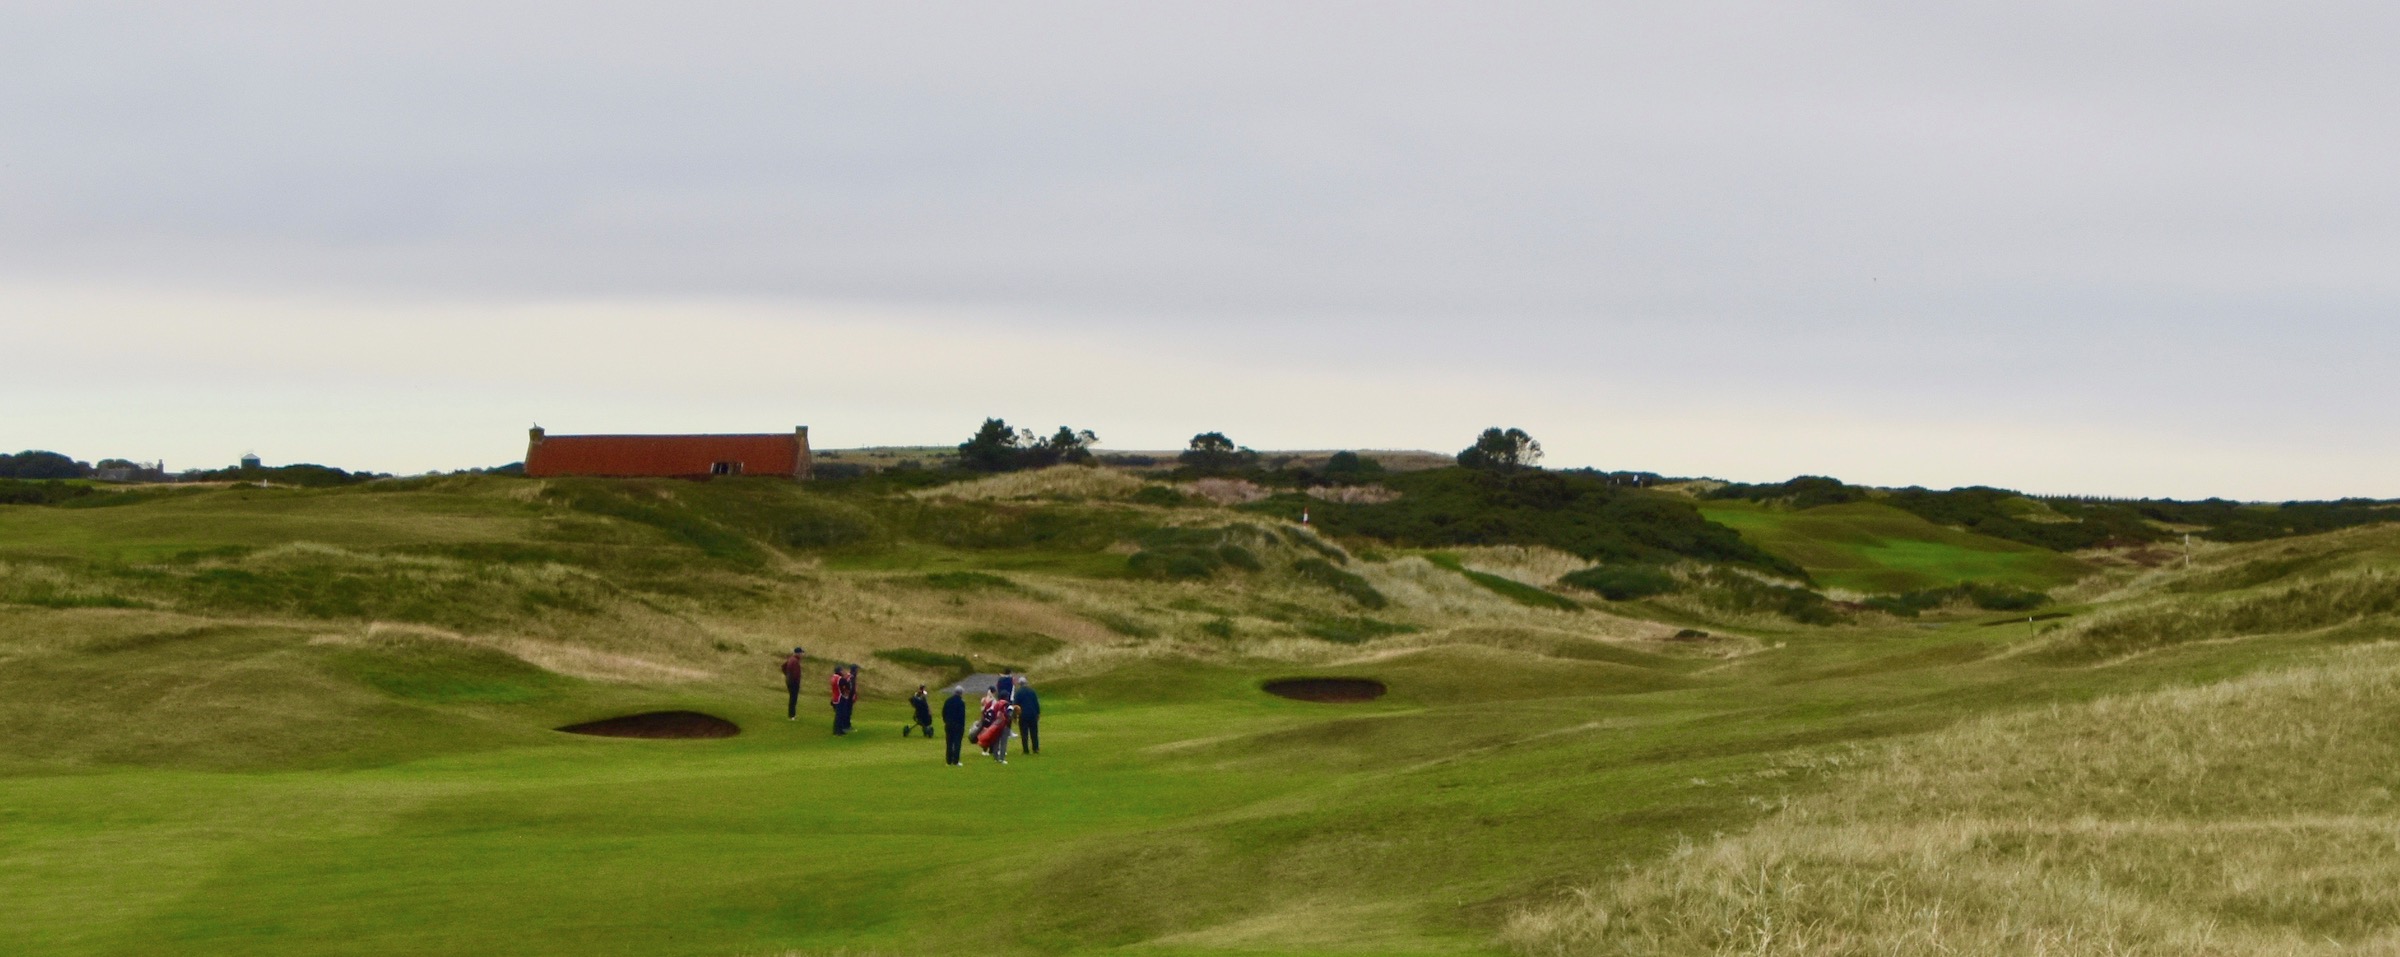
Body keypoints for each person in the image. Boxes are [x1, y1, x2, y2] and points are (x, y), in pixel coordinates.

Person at [977, 689, 1014, 764]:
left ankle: (995, 757)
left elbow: (992, 714)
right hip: (1004, 725)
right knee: (1003, 742)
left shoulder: (996, 704)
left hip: (995, 725)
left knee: (996, 741)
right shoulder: (1007, 704)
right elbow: (1009, 715)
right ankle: (1002, 758)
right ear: (1006, 697)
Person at [1011, 676, 1041, 755]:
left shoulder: (1018, 692)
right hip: (1033, 714)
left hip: (1023, 715)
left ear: (1019, 684)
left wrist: (1014, 716)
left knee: (1024, 733)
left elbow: (1015, 705)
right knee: (1034, 732)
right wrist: (1038, 713)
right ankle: (1035, 748)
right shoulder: (1032, 691)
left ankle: (1026, 750)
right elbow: (1036, 703)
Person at [941, 686, 967, 766]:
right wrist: (962, 726)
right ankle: (955, 761)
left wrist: (946, 721)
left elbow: (943, 712)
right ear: (961, 693)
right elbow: (962, 715)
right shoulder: (961, 703)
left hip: (948, 724)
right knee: (957, 743)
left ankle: (948, 761)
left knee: (949, 742)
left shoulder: (948, 701)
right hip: (958, 725)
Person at [779, 647, 806, 721]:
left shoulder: (791, 659)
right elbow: (795, 674)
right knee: (793, 699)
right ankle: (792, 716)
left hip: (790, 681)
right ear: (798, 653)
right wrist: (795, 680)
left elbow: (783, 666)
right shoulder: (795, 661)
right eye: (801, 653)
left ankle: (792, 715)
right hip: (793, 682)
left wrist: (787, 674)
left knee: (792, 698)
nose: (802, 655)